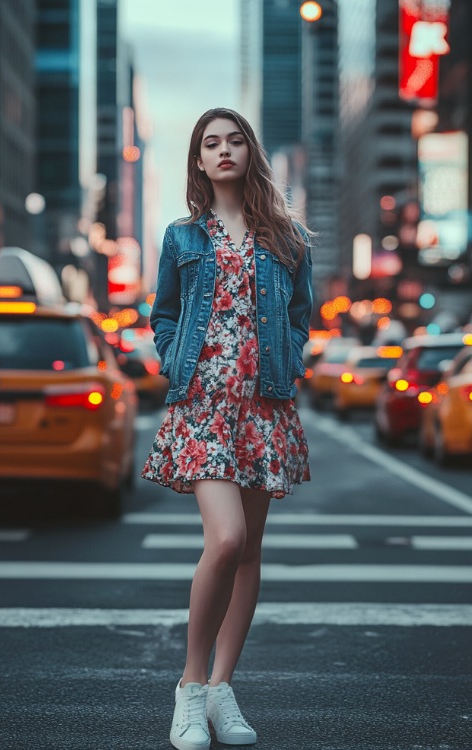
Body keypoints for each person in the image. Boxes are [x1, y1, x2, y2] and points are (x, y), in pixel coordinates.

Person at [141, 107, 313, 750]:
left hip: (264, 407)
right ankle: (189, 689)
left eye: (234, 140)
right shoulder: (182, 238)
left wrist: (289, 359)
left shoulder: (288, 238)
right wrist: (173, 358)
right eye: (210, 143)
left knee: (249, 552)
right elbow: (162, 313)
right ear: (198, 161)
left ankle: (222, 690)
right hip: (205, 409)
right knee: (226, 538)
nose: (222, 151)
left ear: (250, 153)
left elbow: (299, 318)